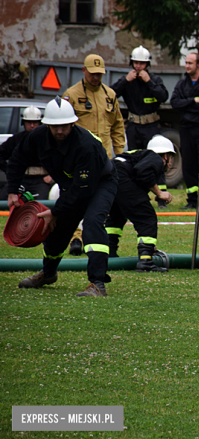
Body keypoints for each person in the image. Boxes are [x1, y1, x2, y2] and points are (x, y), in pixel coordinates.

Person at [10, 97, 118, 297]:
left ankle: (97, 284)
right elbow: (17, 158)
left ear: (73, 123)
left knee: (93, 223)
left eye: (64, 126)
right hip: (74, 186)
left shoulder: (86, 146)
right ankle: (48, 273)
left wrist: (56, 210)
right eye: (55, 126)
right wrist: (12, 190)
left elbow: (82, 191)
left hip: (101, 182)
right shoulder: (37, 137)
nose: (59, 131)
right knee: (57, 229)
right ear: (47, 125)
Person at [63, 54, 125, 255]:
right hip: (80, 160)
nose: (96, 78)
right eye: (92, 74)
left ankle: (92, 238)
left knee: (100, 201)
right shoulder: (71, 95)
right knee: (78, 198)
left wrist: (120, 153)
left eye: (99, 74)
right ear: (84, 70)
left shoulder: (110, 95)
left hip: (104, 160)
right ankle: (75, 238)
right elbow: (64, 129)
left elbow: (117, 125)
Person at [105, 135, 175, 272]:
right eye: (171, 157)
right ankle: (145, 261)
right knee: (146, 218)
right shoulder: (155, 158)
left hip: (110, 177)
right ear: (166, 156)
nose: (171, 162)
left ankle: (110, 255)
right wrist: (159, 193)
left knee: (116, 218)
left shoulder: (140, 155)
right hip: (121, 178)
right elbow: (143, 172)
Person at [171, 52, 199, 209]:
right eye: (186, 63)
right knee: (188, 164)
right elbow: (174, 103)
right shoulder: (181, 84)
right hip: (186, 130)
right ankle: (192, 200)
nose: (187, 66)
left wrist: (187, 107)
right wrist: (193, 101)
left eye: (190, 63)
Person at [111, 45, 169, 150]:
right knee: (133, 157)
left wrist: (149, 82)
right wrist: (125, 81)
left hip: (151, 127)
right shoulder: (127, 80)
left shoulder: (155, 79)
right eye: (136, 63)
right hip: (133, 126)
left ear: (147, 64)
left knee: (150, 158)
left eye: (142, 63)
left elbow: (163, 97)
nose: (138, 66)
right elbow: (110, 95)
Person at [0, 106, 54, 200]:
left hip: (40, 180)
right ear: (23, 123)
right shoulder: (16, 139)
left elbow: (60, 160)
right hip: (20, 178)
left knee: (40, 203)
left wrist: (52, 176)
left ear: (40, 123)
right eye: (29, 122)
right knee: (4, 199)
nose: (32, 125)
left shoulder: (48, 140)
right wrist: (9, 172)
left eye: (35, 122)